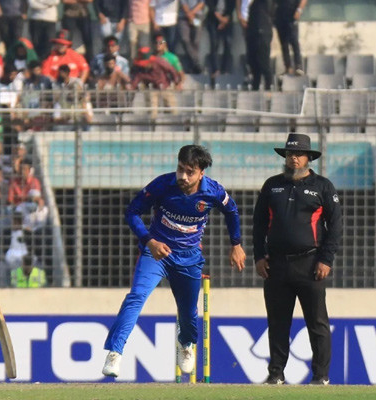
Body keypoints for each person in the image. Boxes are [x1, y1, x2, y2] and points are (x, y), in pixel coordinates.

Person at [102, 144, 246, 378]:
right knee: (136, 296)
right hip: (156, 252)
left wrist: (236, 243)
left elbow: (232, 211)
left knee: (188, 312)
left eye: (190, 172)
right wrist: (149, 241)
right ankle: (114, 353)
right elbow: (132, 212)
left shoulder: (213, 191)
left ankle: (186, 344)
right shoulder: (162, 184)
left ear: (201, 173)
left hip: (189, 257)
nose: (183, 176)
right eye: (180, 169)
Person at [252, 133, 342, 385]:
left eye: (299, 154)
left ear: (308, 158)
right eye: (290, 153)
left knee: (317, 323)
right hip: (276, 264)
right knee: (278, 323)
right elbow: (259, 224)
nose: (294, 158)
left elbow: (335, 226)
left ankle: (321, 376)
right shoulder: (272, 185)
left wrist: (326, 259)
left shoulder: (323, 186)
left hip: (311, 264)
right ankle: (276, 374)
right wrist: (259, 256)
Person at [245, 0, 273, 90]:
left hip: (263, 32)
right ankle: (255, 88)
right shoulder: (251, 4)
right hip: (252, 32)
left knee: (264, 63)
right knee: (253, 64)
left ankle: (269, 87)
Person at [275, 0, 306, 76]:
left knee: (294, 41)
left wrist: (299, 10)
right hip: (280, 15)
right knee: (284, 44)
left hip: (292, 15)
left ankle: (298, 66)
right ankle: (288, 67)